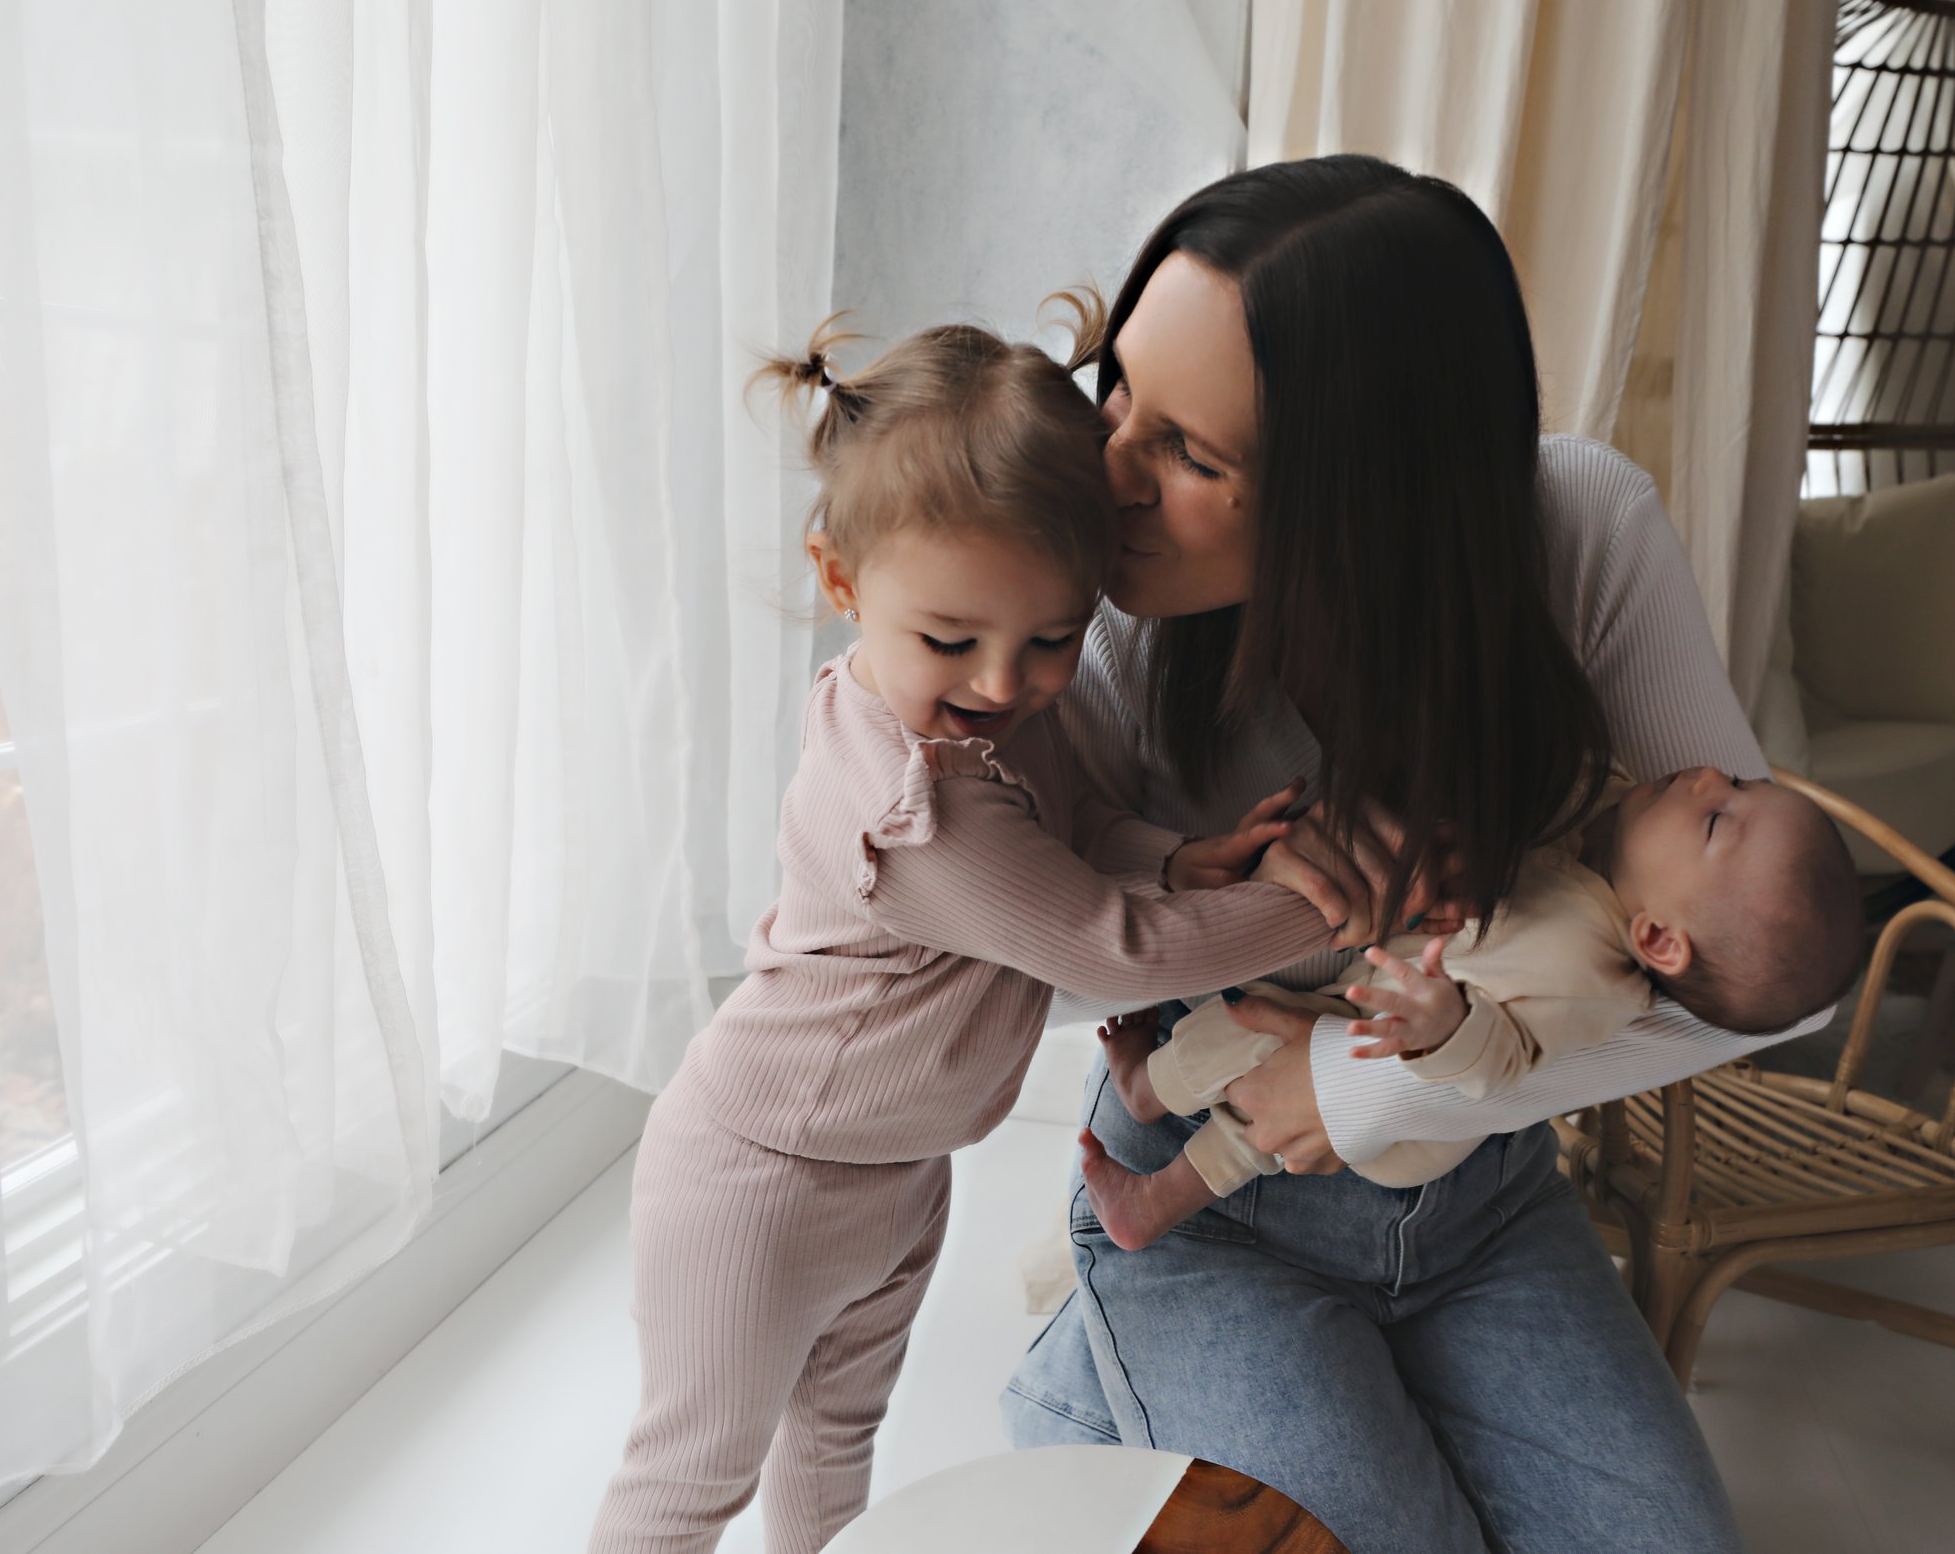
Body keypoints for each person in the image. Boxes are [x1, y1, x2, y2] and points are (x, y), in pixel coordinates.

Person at [1002, 154, 1841, 1554]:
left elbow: (1765, 977)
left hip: (1481, 1202)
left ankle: (1234, 1394)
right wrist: (1254, 903)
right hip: (1214, 1208)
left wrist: (1358, 1085)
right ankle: (1089, 1382)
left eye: (1193, 457)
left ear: (1369, 490)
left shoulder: (1577, 532)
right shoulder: (1085, 611)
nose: (1109, 475)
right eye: (1115, 390)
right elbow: (1011, 980)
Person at [586, 317, 1344, 1554]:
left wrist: (1176, 856)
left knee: (833, 1440)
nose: (1006, 679)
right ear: (841, 581)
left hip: (896, 1167)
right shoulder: (910, 804)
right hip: (760, 1177)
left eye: (1053, 637)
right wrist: (1317, 902)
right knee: (688, 1475)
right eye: (954, 640)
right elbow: (1114, 952)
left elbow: (1080, 819)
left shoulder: (995, 716)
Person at [1078, 767, 1865, 1249]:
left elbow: (1504, 1064)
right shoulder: (1617, 822)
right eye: (1734, 777)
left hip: (1414, 1112)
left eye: (1716, 818)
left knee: (1244, 1053)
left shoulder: (1589, 978)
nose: (1701, 779)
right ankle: (1151, 1108)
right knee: (1253, 1037)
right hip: (1375, 1005)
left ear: (1658, 940)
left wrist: (1446, 1029)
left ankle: (1150, 1160)